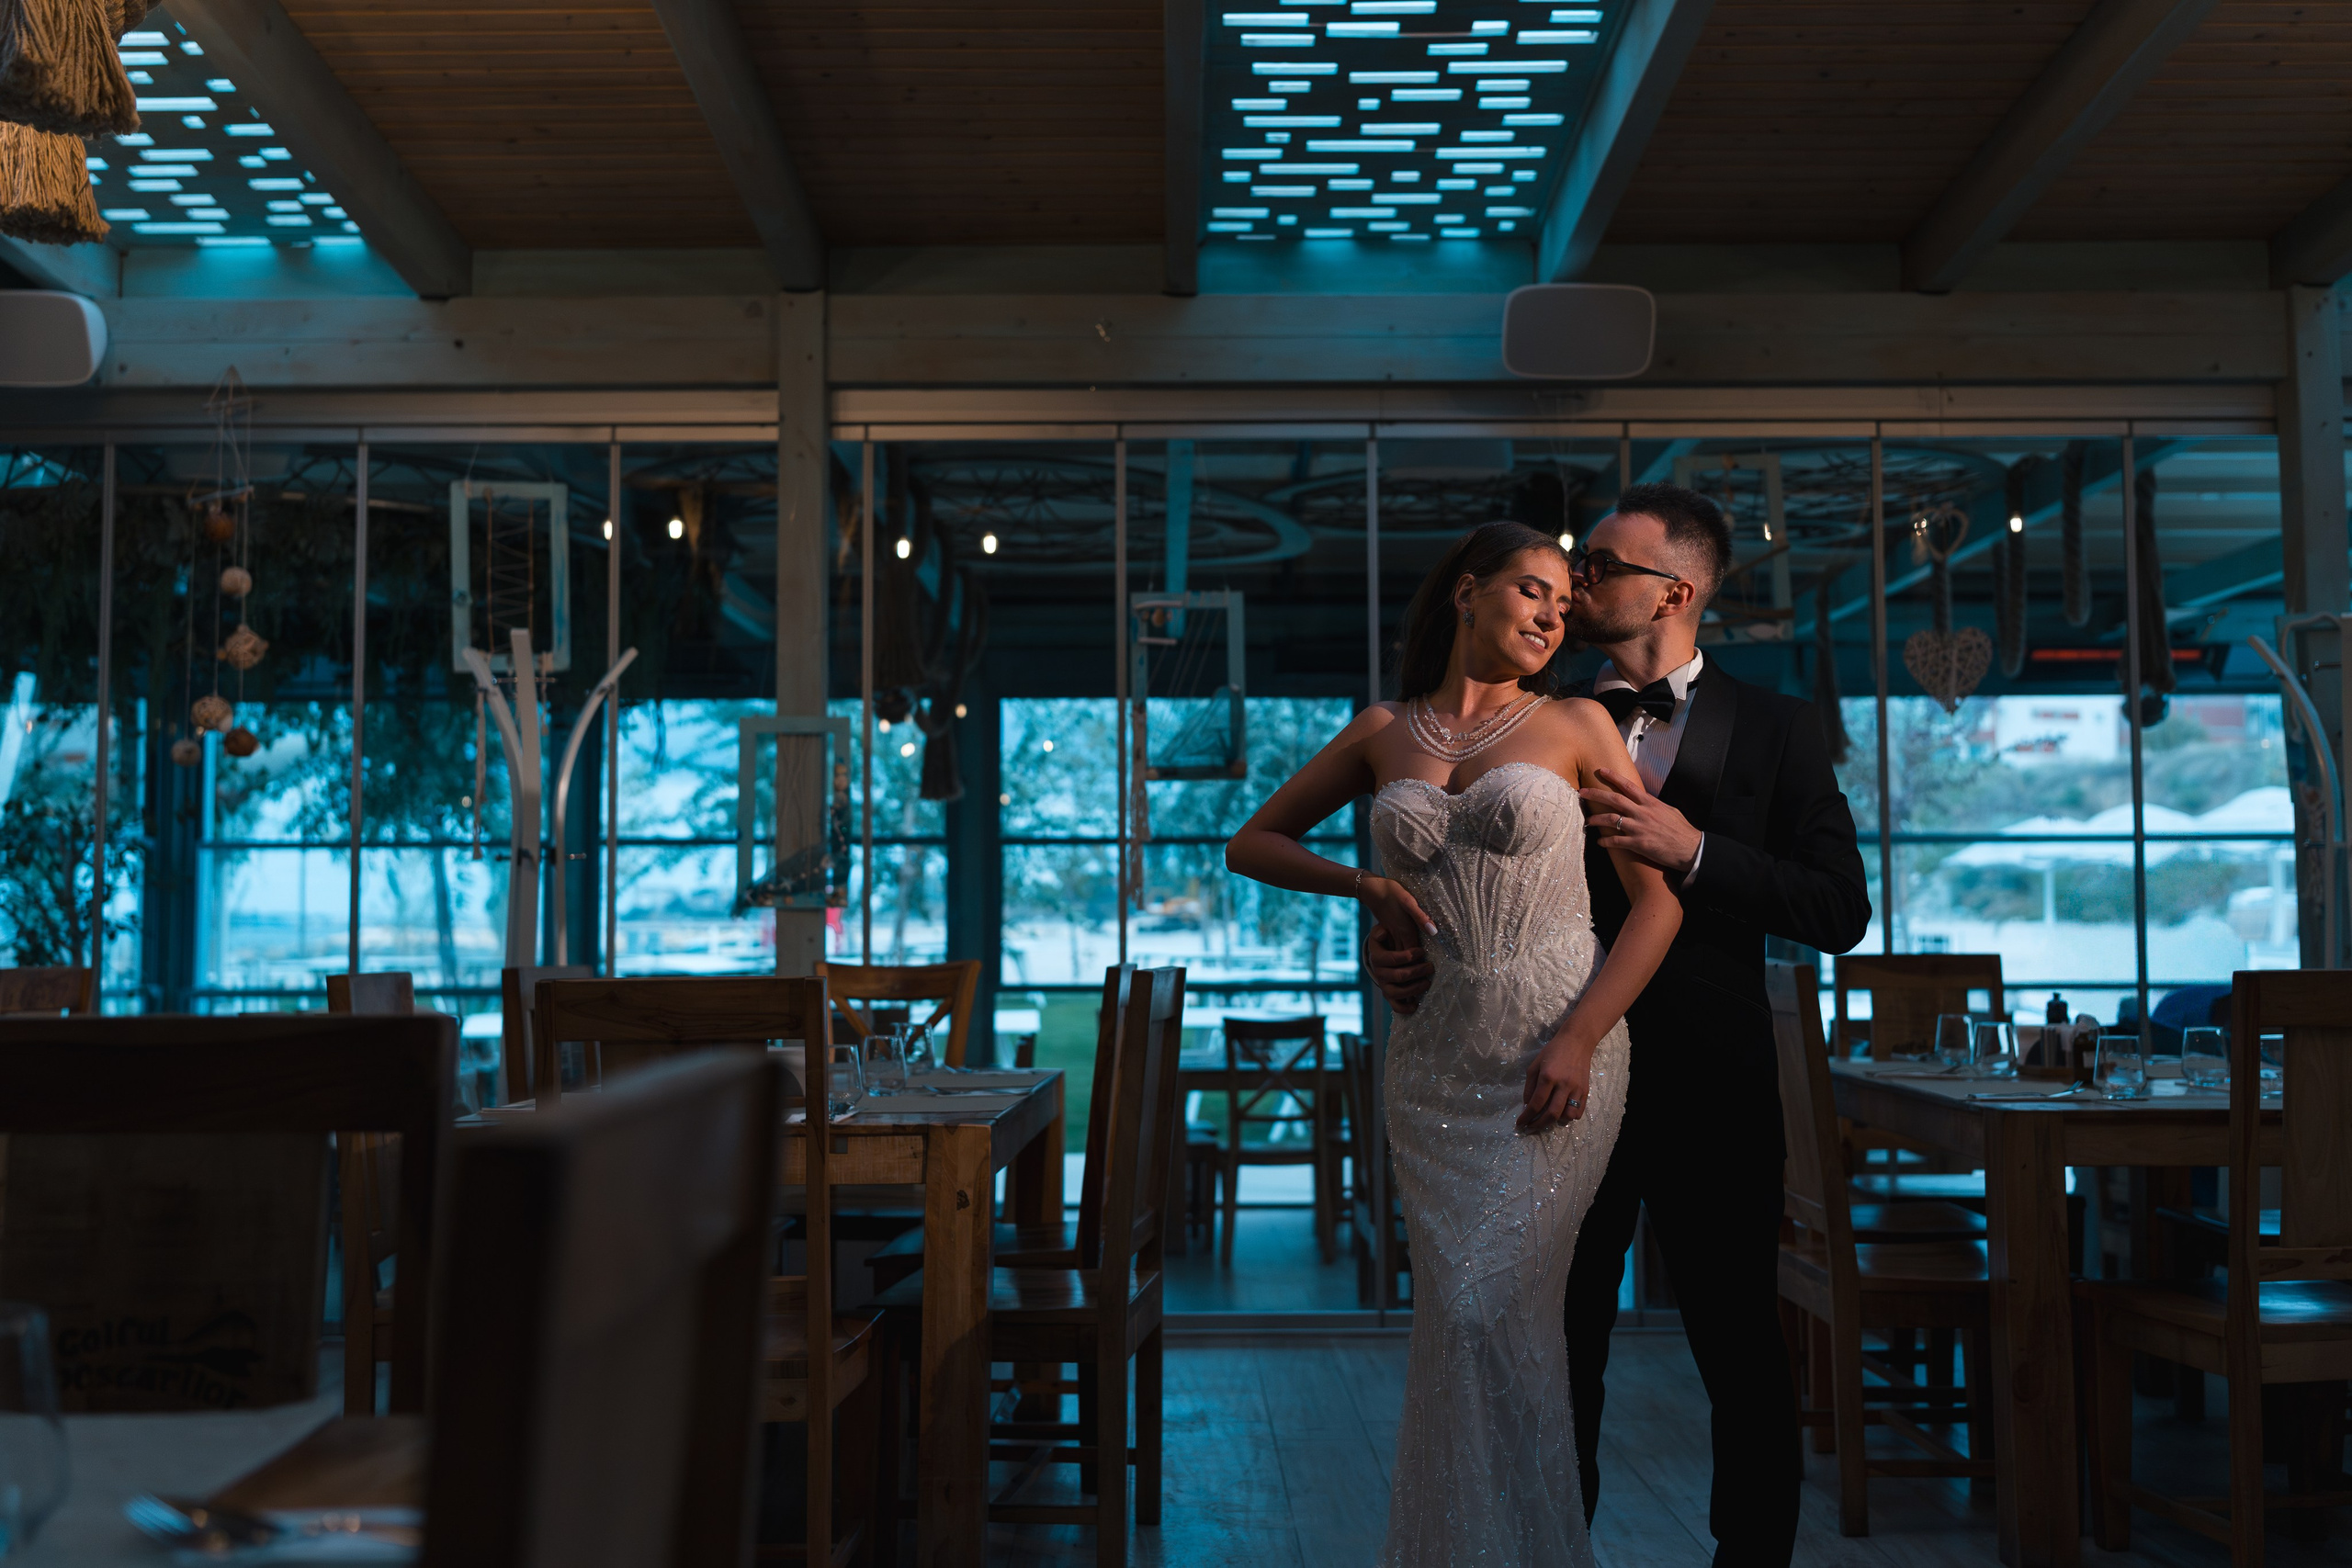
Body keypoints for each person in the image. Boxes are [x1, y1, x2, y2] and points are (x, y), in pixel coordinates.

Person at [1365, 483, 1872, 1568]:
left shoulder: (1775, 728)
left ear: (1674, 590)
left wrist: (1693, 851)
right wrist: (1401, 942)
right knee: (1553, 1344)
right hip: (1539, 1083)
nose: (1577, 580)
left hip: (1709, 1081)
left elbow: (1838, 910)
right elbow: (1438, 865)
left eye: (1600, 564)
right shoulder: (1529, 713)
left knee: (1738, 1347)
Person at [1226, 520, 1684, 1567]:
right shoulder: (1382, 729)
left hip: (1554, 1060)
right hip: (1433, 1064)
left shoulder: (1576, 724)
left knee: (1490, 1312)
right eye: (1532, 592)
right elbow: (1250, 840)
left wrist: (1578, 1038)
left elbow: (1656, 910)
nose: (1551, 617)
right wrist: (1366, 888)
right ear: (1465, 593)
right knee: (1466, 1325)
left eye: (1565, 607)